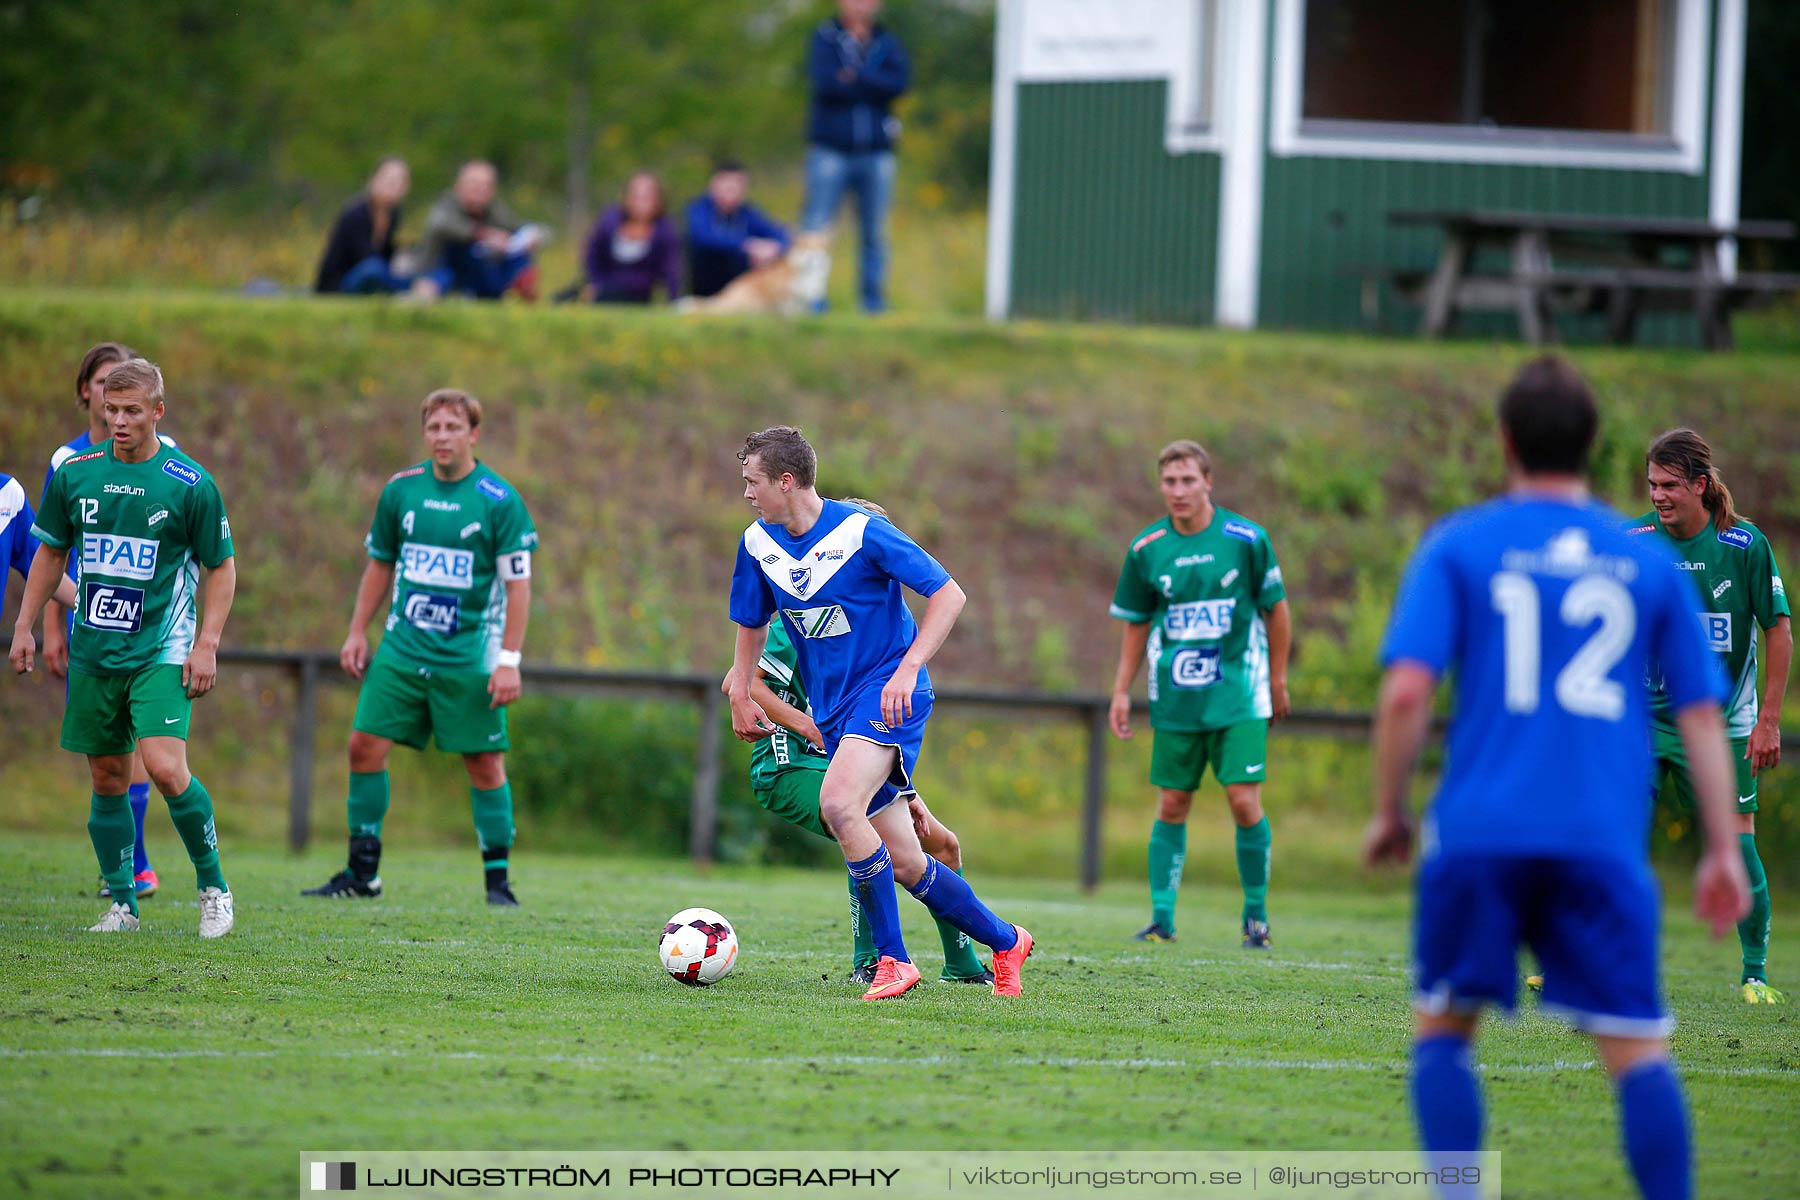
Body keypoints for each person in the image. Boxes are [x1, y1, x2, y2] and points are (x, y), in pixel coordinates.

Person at [1368, 357, 1749, 1200]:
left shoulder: (1460, 542)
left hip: (1478, 831)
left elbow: (1404, 690)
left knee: (1444, 1030)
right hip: (1598, 839)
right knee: (1636, 1049)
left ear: (1504, 440)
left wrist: (1388, 810)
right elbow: (1698, 714)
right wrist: (1723, 846)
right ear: (1595, 447)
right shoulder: (1644, 563)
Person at [726, 426, 1032, 1000]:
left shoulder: (862, 531)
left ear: (786, 482)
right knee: (907, 861)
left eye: (753, 482)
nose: (746, 494)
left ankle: (892, 960)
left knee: (838, 803)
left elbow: (949, 594)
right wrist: (742, 690)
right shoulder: (758, 543)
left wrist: (910, 667)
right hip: (839, 710)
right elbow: (750, 620)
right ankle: (1006, 939)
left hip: (890, 693)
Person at [9, 358, 240, 938]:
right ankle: (122, 905)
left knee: (164, 767)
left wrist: (207, 644)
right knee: (108, 778)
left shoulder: (189, 483)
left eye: (132, 411)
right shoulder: (76, 475)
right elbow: (49, 555)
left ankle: (213, 887)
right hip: (94, 651)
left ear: (157, 412)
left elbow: (222, 566)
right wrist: (25, 625)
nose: (119, 421)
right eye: (111, 410)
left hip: (162, 649)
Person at [304, 389, 536, 906]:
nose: (442, 437)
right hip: (402, 651)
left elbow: (518, 586)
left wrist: (508, 660)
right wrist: (356, 630)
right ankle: (362, 874)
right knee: (363, 746)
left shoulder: (499, 500)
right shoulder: (401, 491)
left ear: (473, 434)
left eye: (453, 427)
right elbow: (381, 562)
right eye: (434, 427)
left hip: (468, 658)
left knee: (484, 762)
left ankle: (498, 884)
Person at [1109, 440, 1291, 947]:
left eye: (1189, 480)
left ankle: (1256, 917)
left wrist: (1277, 678)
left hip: (1239, 693)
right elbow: (1136, 624)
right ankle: (1162, 920)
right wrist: (1120, 690)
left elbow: (1277, 609)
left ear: (1208, 481)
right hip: (1176, 698)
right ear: (1160, 486)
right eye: (1170, 481)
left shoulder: (1246, 538)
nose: (1179, 490)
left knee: (1241, 799)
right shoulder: (1146, 549)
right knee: (1171, 803)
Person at [1635, 429, 1790, 1004]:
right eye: (1652, 484)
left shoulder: (1745, 545)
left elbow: (1778, 630)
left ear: (1700, 484)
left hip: (1722, 722)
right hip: (1645, 721)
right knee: (1608, 831)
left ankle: (1755, 973)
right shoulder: (1636, 543)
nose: (1657, 495)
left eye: (1670, 484)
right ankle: (1574, 959)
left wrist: (1767, 720)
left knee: (1738, 843)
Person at [47, 342, 178, 902]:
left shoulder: (167, 457)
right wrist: (52, 627)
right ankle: (121, 867)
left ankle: (136, 864)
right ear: (87, 393)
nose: (114, 400)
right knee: (105, 758)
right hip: (89, 626)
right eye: (104, 386)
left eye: (126, 394)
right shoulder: (67, 463)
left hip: (148, 632)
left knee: (148, 751)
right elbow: (55, 549)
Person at [800, 0, 910, 313]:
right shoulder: (825, 37)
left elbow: (898, 84)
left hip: (876, 152)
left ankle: (873, 305)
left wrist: (856, 77)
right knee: (817, 227)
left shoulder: (887, 41)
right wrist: (872, 82)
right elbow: (826, 83)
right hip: (830, 150)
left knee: (875, 232)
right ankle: (810, 300)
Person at [410, 161, 544, 302]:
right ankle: (428, 292)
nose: (481, 189)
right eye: (474, 183)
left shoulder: (495, 210)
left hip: (482, 274)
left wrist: (533, 236)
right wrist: (484, 235)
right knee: (460, 251)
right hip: (438, 271)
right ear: (459, 186)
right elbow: (441, 224)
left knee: (518, 248)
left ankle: (522, 282)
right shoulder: (447, 205)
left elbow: (520, 227)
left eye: (487, 185)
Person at [685, 159, 790, 299]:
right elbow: (703, 237)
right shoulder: (699, 209)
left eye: (739, 185)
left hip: (742, 284)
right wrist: (748, 246)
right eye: (729, 185)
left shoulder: (747, 213)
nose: (734, 189)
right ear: (714, 185)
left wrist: (773, 248)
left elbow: (780, 234)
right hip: (706, 283)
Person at [315, 157, 412, 294]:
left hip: (371, 276)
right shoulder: (356, 214)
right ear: (374, 180)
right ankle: (406, 289)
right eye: (390, 181)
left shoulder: (393, 214)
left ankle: (409, 288)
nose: (394, 187)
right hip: (338, 283)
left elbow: (387, 252)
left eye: (400, 183)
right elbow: (364, 258)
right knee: (374, 268)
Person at [582, 172, 682, 304]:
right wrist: (594, 282)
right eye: (636, 196)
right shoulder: (609, 221)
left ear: (658, 200)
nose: (641, 203)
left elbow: (671, 270)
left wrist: (674, 300)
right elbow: (592, 257)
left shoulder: (665, 231)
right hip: (603, 290)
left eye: (647, 197)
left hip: (639, 295)